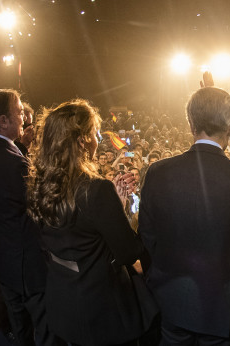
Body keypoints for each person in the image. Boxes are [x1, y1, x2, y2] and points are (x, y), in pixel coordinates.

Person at [138, 83, 230, 345]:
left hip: (171, 298)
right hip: (222, 305)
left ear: (190, 123)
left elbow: (147, 234)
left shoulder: (158, 172)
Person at [27, 99, 152, 346]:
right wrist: (121, 212)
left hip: (64, 303)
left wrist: (113, 207)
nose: (98, 139)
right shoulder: (96, 190)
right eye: (94, 133)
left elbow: (76, 236)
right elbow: (129, 252)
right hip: (101, 311)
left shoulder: (38, 184)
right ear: (82, 140)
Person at [0, 89, 60, 346]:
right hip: (27, 267)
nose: (26, 118)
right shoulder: (14, 162)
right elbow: (41, 206)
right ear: (3, 120)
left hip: (4, 262)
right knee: (44, 331)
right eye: (20, 112)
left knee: (20, 332)